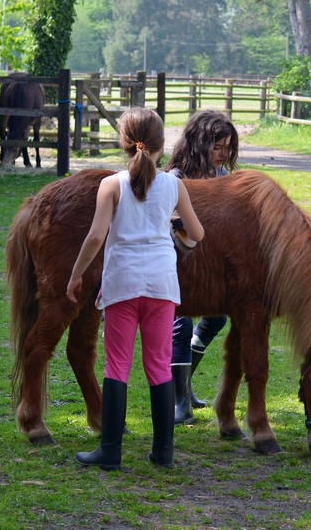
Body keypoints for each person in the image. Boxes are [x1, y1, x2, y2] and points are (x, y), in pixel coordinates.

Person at [66, 107, 204, 470]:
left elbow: (97, 236)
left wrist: (76, 275)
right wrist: (174, 228)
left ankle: (110, 451)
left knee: (117, 366)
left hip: (122, 282)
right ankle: (163, 453)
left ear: (123, 142)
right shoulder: (174, 185)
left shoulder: (111, 184)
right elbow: (198, 233)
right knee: (158, 366)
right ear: (161, 145)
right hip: (161, 283)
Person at [165, 110, 239, 426]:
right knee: (179, 323)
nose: (223, 155)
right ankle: (179, 401)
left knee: (217, 317)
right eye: (217, 147)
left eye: (227, 148)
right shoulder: (177, 177)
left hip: (211, 266)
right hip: (180, 263)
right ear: (199, 143)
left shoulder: (223, 176)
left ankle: (184, 384)